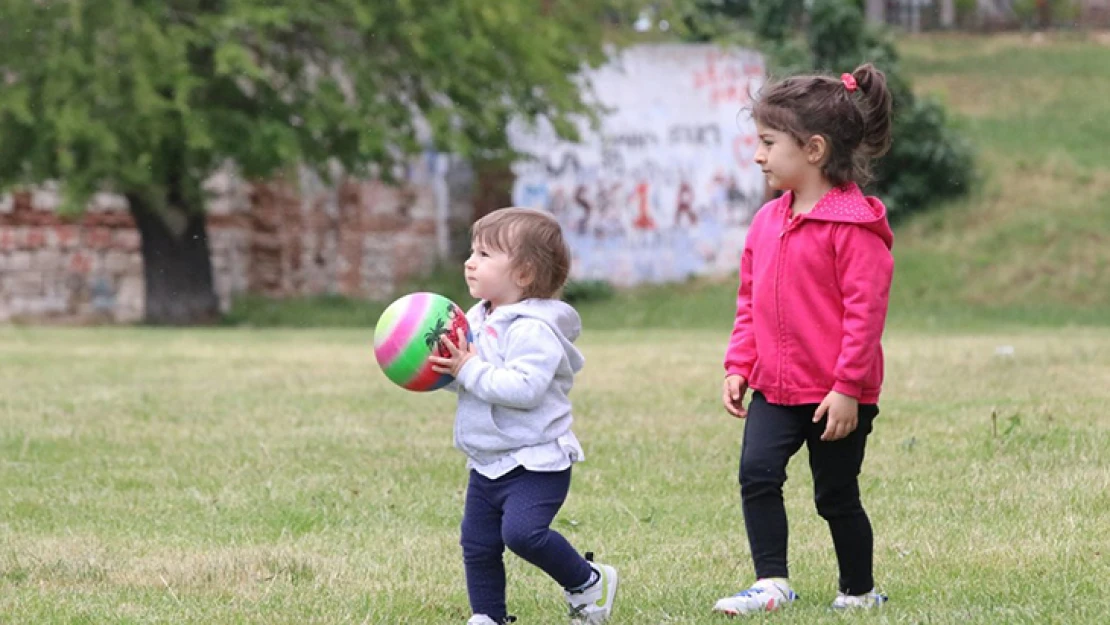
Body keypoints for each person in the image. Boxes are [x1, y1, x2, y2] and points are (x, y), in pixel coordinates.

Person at [713, 63, 895, 616]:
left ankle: (858, 591)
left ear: (813, 149)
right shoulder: (767, 220)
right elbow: (750, 300)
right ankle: (772, 582)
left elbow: (866, 317)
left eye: (768, 142)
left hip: (837, 397)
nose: (758, 155)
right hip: (774, 387)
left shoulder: (853, 229)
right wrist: (740, 363)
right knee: (756, 475)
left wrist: (846, 388)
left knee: (835, 496)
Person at [430, 207, 618, 625]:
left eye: (484, 254)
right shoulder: (476, 318)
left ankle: (587, 581)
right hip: (488, 457)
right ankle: (488, 616)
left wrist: (468, 368)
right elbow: (471, 381)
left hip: (535, 460)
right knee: (477, 543)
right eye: (471, 251)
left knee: (523, 535)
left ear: (525, 273)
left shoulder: (534, 329)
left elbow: (523, 389)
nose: (469, 262)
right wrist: (439, 371)